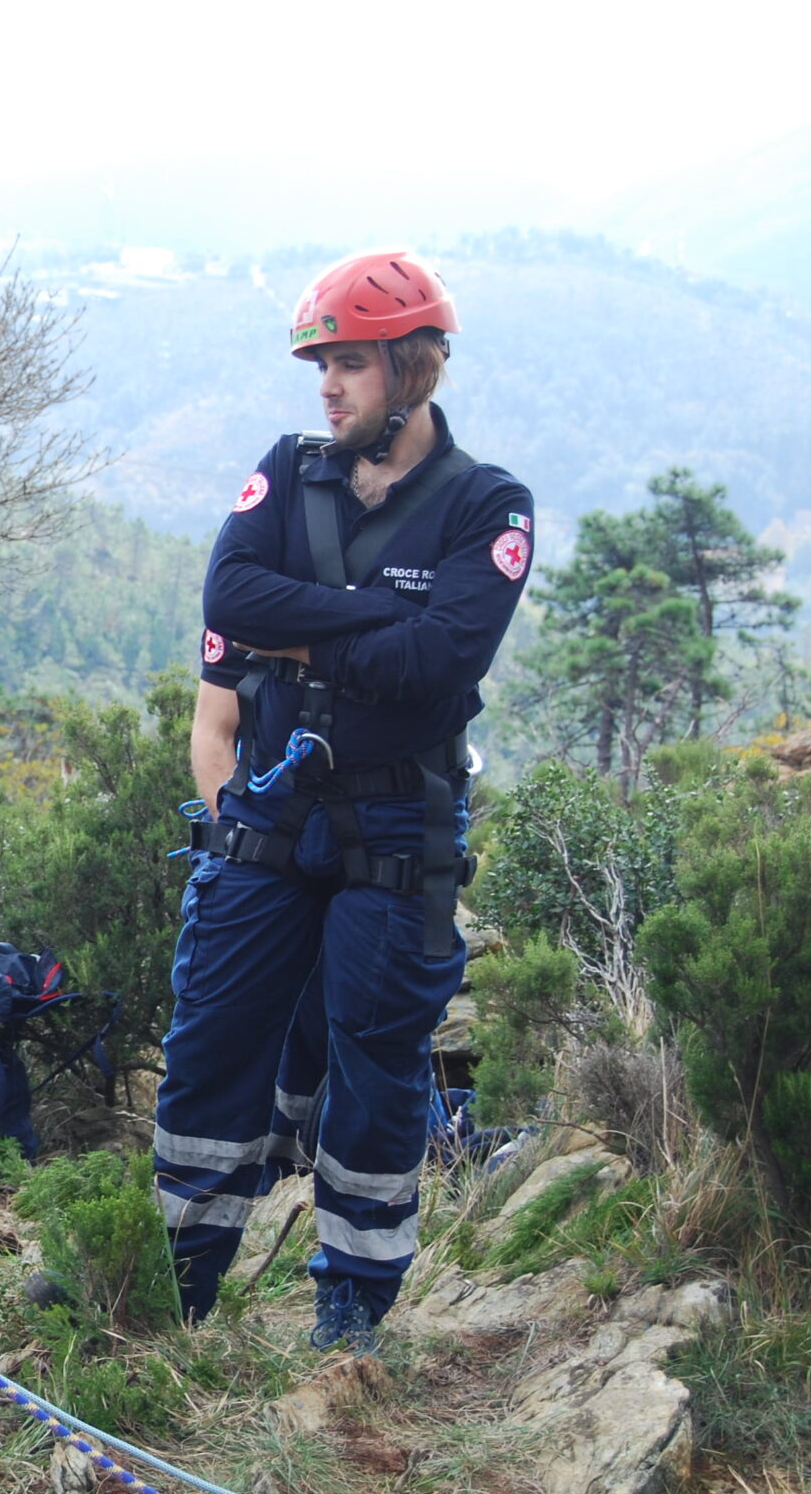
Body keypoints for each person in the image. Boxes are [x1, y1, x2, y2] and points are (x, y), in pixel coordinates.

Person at [158, 251, 534, 1354]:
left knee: (375, 1064)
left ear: (410, 369)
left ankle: (349, 1317)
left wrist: (309, 624)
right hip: (270, 819)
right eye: (320, 363)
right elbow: (230, 596)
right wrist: (375, 618)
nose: (327, 385)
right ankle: (168, 1280)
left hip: (400, 831)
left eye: (350, 363)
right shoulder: (290, 468)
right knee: (212, 1043)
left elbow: (441, 661)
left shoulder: (484, 504)